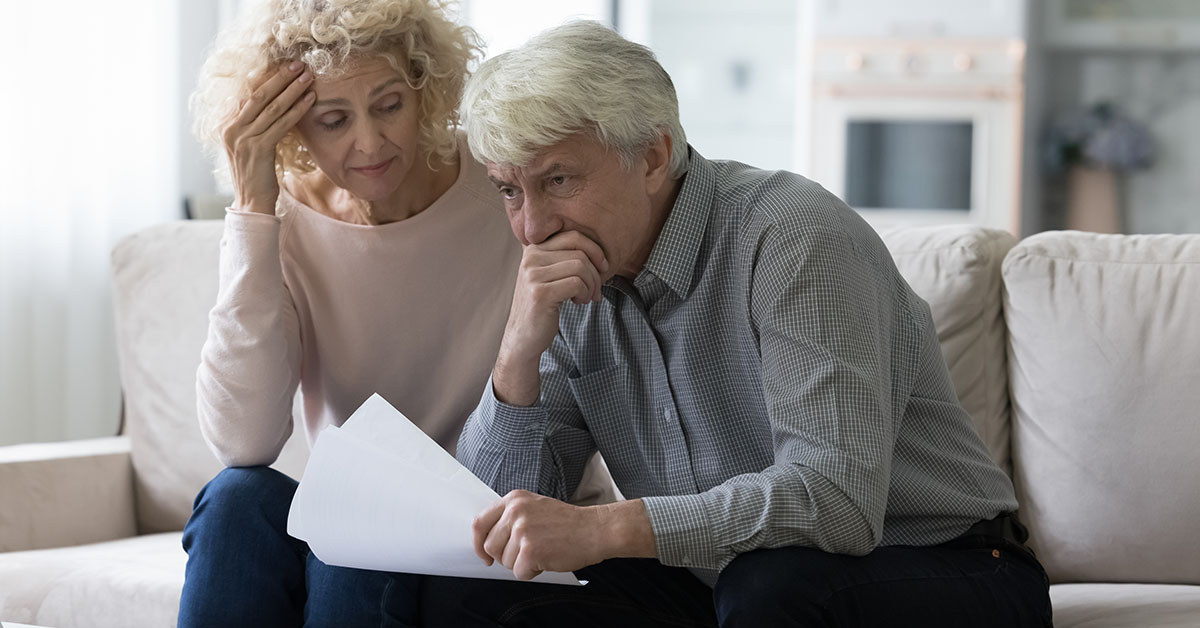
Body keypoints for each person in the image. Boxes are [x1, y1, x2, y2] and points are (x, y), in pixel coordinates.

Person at [414, 21, 1054, 627]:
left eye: (558, 179)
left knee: (769, 585)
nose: (532, 227)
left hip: (948, 566)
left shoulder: (792, 237)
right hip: (722, 586)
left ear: (654, 155)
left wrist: (606, 528)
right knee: (465, 592)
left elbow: (836, 502)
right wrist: (517, 356)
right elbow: (495, 529)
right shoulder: (570, 287)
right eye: (509, 191)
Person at [178, 1, 527, 626]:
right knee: (236, 499)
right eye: (333, 120)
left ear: (426, 88)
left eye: (390, 105)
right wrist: (254, 210)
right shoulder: (283, 222)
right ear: (290, 130)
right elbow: (244, 441)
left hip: (490, 509)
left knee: (354, 527)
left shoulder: (505, 187)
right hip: (359, 510)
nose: (369, 143)